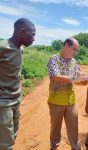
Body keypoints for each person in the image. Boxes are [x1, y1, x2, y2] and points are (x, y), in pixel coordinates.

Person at [0, 18, 36, 150]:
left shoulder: (20, 50)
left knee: (13, 135)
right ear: (22, 31)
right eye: (32, 34)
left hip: (16, 99)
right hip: (3, 103)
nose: (34, 39)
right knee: (6, 143)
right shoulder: (3, 47)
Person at [47, 37, 88, 150]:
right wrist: (75, 79)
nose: (76, 52)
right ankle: (54, 147)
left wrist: (84, 79)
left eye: (77, 50)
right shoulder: (54, 59)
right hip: (56, 101)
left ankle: (75, 147)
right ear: (66, 45)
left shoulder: (73, 62)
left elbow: (79, 76)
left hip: (71, 101)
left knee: (73, 127)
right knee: (55, 127)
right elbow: (56, 77)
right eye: (74, 49)